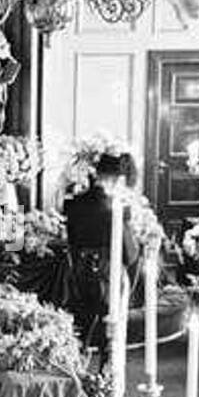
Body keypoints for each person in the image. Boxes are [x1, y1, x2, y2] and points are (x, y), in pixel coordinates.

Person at [63, 153, 141, 360]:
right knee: (113, 329)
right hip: (108, 276)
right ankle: (107, 370)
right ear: (117, 179)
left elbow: (71, 241)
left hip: (79, 274)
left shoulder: (74, 204)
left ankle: (77, 362)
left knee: (82, 328)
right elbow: (130, 254)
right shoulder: (115, 209)